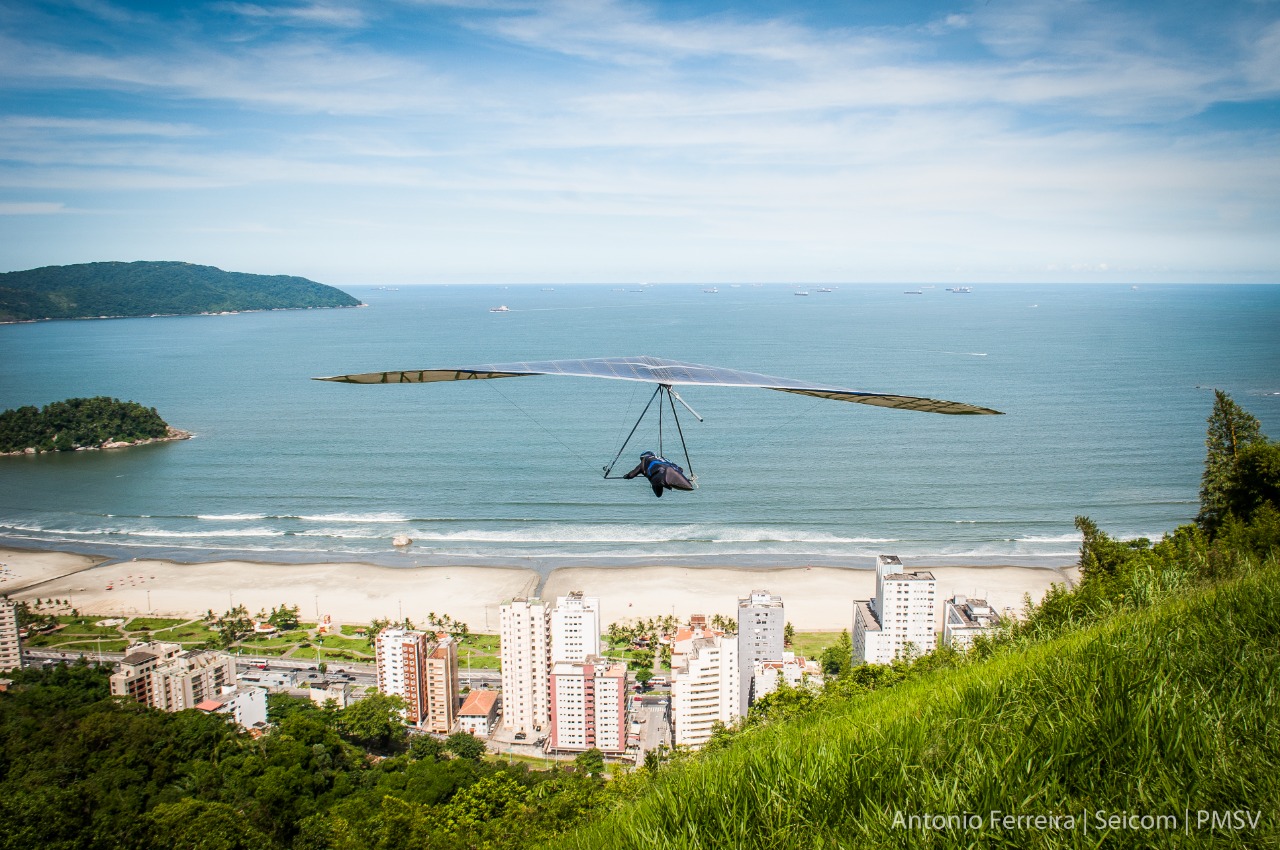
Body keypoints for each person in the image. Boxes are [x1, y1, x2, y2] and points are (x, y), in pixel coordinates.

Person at [623, 451, 695, 497]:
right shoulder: (663, 459)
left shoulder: (645, 460)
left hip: (659, 475)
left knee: (656, 484)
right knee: (658, 487)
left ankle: (665, 479)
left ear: (643, 457)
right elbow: (680, 469)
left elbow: (631, 475)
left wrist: (626, 476)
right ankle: (669, 478)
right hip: (673, 470)